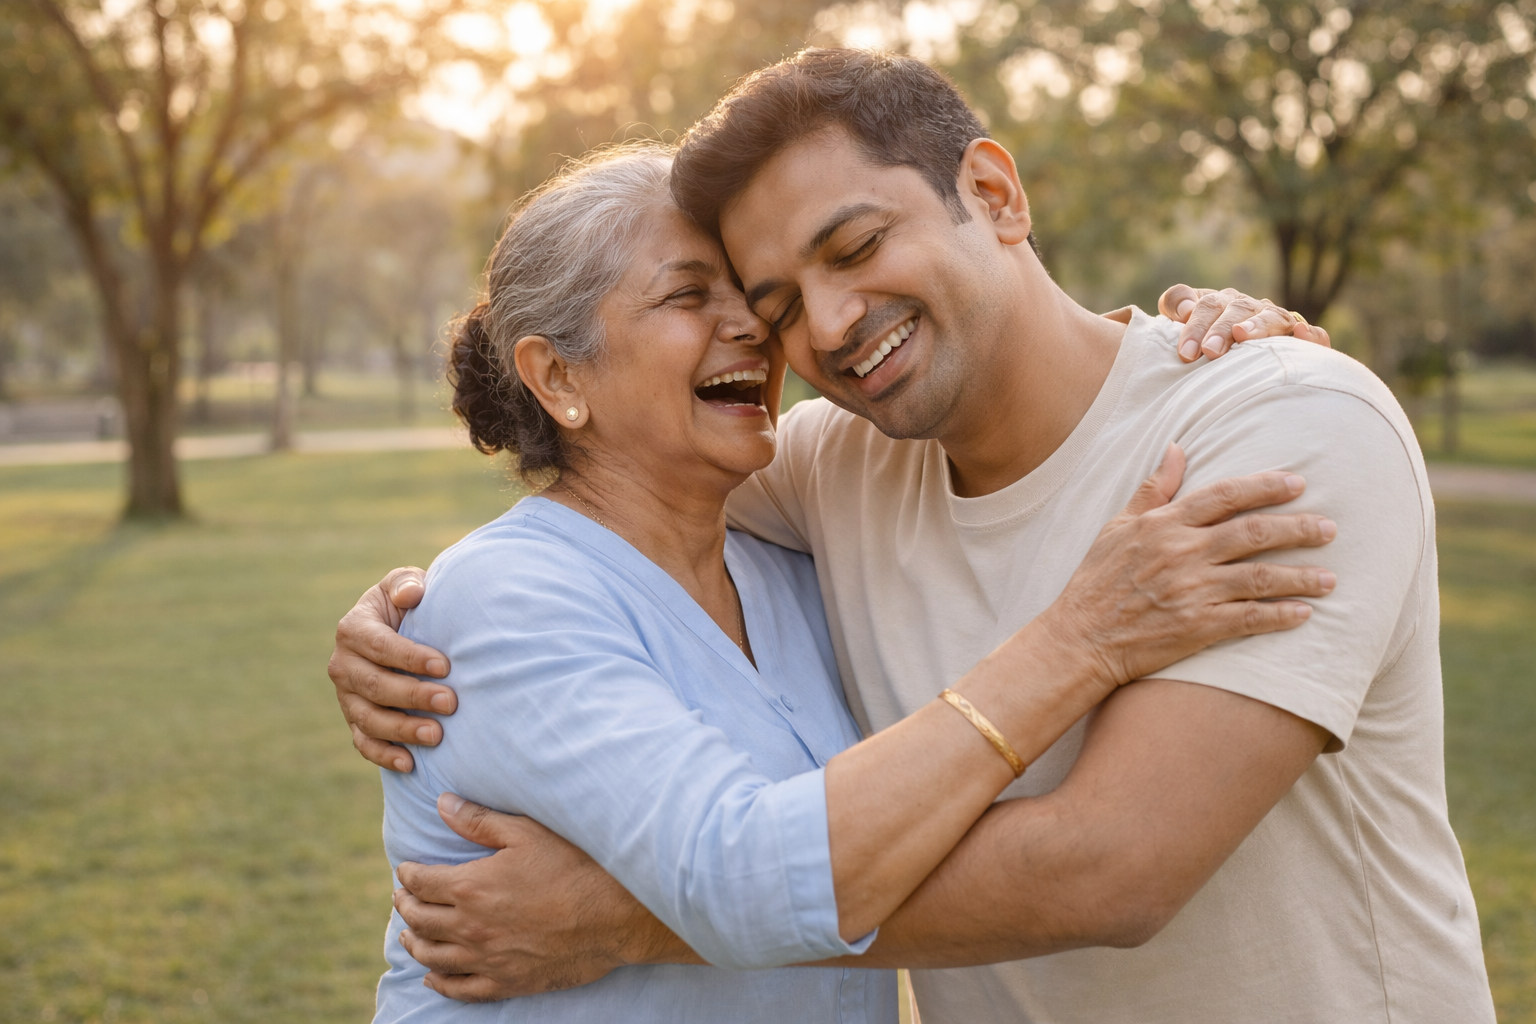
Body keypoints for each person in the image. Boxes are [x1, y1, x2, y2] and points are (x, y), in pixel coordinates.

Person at [334, 50, 1496, 1024]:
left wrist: (620, 917)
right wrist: (410, 611)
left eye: (853, 249)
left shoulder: (1275, 421)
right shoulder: (839, 470)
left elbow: (1116, 866)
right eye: (773, 297)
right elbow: (611, 499)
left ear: (994, 194)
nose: (820, 329)